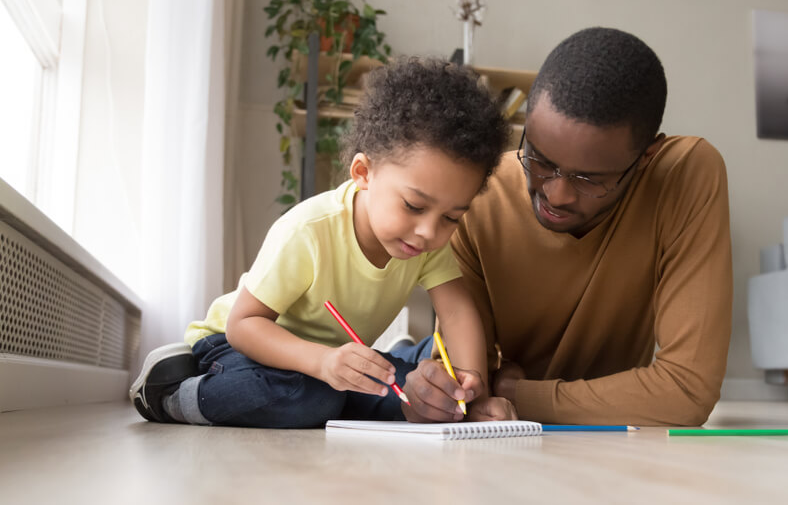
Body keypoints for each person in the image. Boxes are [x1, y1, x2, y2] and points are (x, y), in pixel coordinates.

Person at [129, 57, 513, 427]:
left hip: (332, 363)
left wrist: (468, 395)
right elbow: (243, 325)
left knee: (423, 392)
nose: (430, 232)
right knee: (311, 398)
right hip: (238, 348)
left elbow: (459, 314)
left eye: (451, 217)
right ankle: (171, 395)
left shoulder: (426, 242)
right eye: (413, 205)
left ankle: (392, 364)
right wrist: (322, 363)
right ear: (364, 172)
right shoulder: (309, 230)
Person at [397, 27, 732, 426]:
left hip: (521, 393)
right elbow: (471, 391)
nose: (556, 195)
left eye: (589, 179)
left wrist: (516, 394)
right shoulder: (477, 195)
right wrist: (443, 393)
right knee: (409, 369)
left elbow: (686, 392)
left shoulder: (685, 174)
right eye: (538, 158)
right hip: (478, 371)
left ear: (646, 158)